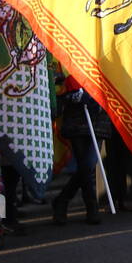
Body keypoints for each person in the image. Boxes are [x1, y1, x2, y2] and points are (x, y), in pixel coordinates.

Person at [51, 76, 107, 225]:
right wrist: (71, 95)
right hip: (77, 120)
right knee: (85, 166)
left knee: (88, 164)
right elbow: (59, 89)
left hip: (99, 120)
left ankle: (63, 199)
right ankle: (91, 207)